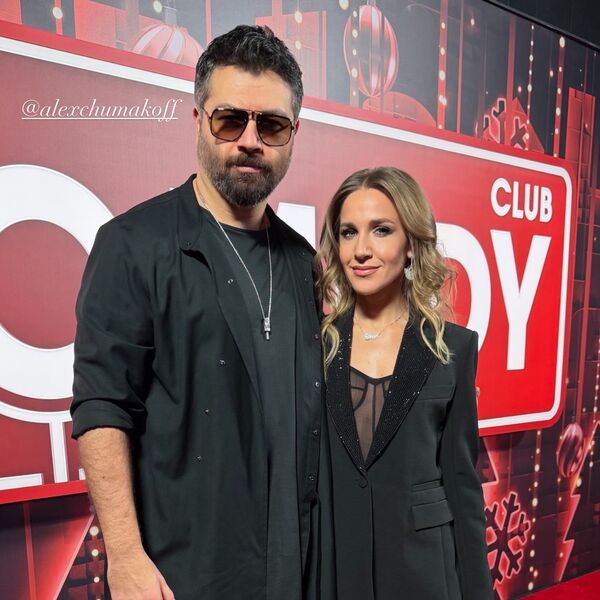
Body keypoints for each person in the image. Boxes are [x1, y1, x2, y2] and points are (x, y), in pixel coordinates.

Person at [71, 25, 328, 600]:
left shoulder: (303, 262)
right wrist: (125, 555)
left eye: (272, 125)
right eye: (230, 120)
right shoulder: (133, 244)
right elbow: (102, 406)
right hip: (182, 577)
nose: (250, 141)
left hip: (297, 574)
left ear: (293, 134)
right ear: (197, 120)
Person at [316, 167, 493, 600]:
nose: (361, 250)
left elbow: (462, 484)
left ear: (410, 244)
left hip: (425, 571)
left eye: (381, 230)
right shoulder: (314, 345)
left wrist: (478, 592)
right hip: (337, 569)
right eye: (348, 232)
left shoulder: (453, 349)